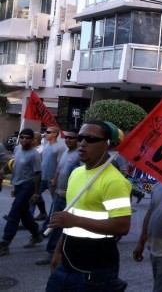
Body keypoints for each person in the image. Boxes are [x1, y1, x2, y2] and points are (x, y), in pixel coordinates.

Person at [46, 121, 132, 291]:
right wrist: (58, 252)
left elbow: (122, 226)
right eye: (80, 138)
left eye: (91, 139)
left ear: (107, 144)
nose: (82, 143)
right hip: (66, 261)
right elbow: (68, 222)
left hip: (95, 270)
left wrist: (75, 220)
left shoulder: (114, 181)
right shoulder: (77, 173)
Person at [36, 129, 80, 265]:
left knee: (62, 225)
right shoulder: (66, 152)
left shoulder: (79, 155)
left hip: (70, 197)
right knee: (55, 222)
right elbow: (60, 169)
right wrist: (54, 181)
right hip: (58, 194)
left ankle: (58, 253)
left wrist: (70, 192)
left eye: (71, 137)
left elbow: (82, 177)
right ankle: (54, 252)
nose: (68, 139)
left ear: (77, 139)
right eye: (66, 137)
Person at [0, 128, 44, 256]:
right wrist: (3, 169)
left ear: (32, 139)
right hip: (18, 185)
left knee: (14, 212)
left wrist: (36, 193)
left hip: (28, 185)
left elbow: (38, 174)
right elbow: (12, 164)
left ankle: (5, 243)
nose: (25, 140)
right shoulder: (17, 149)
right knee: (23, 213)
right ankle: (36, 234)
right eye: (22, 137)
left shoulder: (34, 155)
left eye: (28, 137)